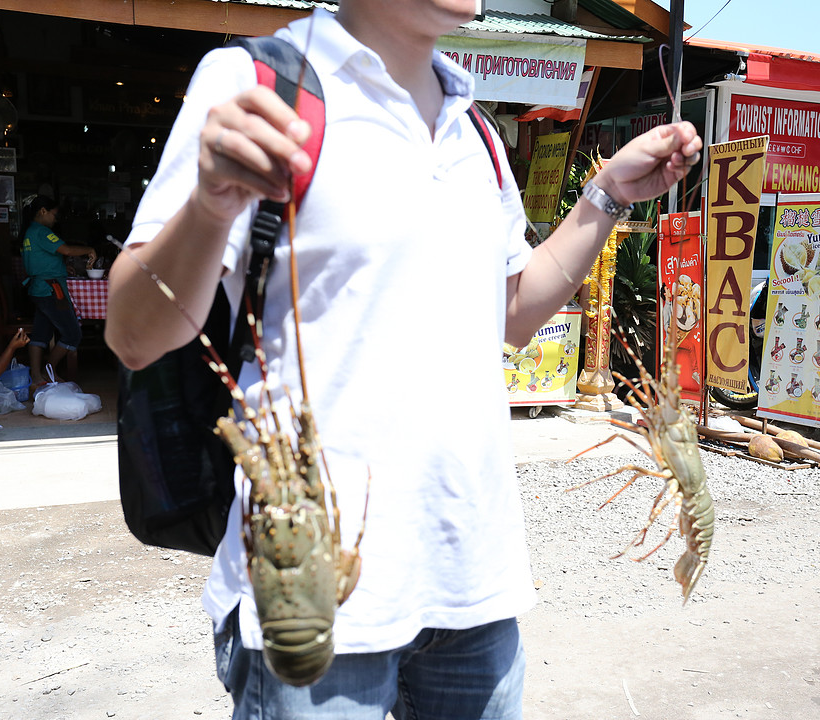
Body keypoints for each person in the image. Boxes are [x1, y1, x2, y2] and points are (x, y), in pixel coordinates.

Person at [105, 2, 701, 717]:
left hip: (474, 581)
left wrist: (605, 196)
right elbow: (134, 338)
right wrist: (208, 204)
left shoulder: (475, 127)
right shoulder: (256, 82)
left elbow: (508, 317)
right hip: (314, 593)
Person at [19, 194, 97, 387]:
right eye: (54, 214)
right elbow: (67, 250)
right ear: (43, 211)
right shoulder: (42, 231)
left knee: (41, 333)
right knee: (73, 334)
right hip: (51, 289)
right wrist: (89, 250)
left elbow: (42, 259)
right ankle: (48, 370)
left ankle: (37, 376)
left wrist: (62, 268)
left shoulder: (30, 231)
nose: (55, 219)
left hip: (39, 288)